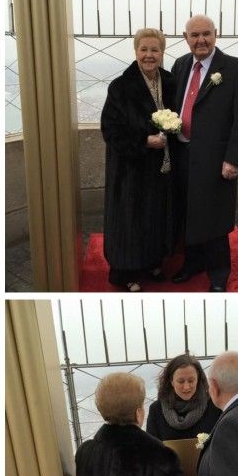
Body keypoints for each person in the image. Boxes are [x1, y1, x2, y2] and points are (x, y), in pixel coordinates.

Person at [171, 15, 238, 292]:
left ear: (216, 34)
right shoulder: (180, 65)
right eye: (194, 35)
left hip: (217, 160)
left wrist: (234, 159)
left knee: (215, 218)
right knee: (187, 214)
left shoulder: (235, 68)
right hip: (182, 154)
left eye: (206, 34)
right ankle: (192, 263)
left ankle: (219, 274)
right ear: (186, 38)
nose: (201, 40)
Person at [101, 28, 177, 292]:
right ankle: (127, 272)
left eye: (155, 50)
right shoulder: (120, 87)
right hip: (131, 170)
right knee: (130, 222)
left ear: (162, 52)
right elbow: (110, 130)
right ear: (135, 51)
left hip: (161, 169)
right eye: (143, 49)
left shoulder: (170, 82)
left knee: (156, 217)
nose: (149, 55)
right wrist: (145, 141)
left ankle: (151, 262)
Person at [146, 353, 222, 440]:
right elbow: (151, 448)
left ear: (198, 379)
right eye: (181, 381)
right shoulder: (156, 410)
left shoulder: (214, 406)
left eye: (191, 381)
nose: (186, 387)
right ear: (171, 381)